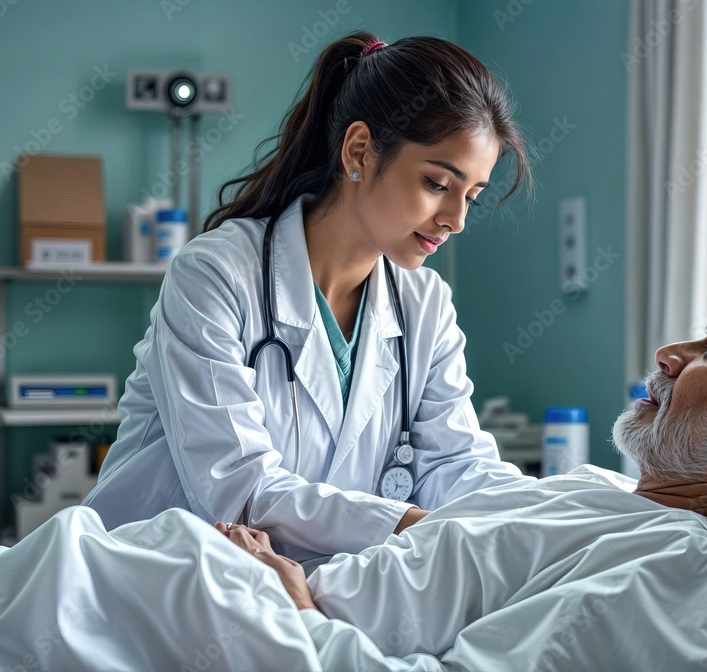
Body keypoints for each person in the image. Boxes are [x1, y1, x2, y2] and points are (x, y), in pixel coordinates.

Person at [212, 258, 707, 668]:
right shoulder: (607, 493)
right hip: (225, 596)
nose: (669, 356)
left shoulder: (680, 573)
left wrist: (295, 610)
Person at [82, 32, 534, 564]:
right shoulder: (214, 275)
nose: (455, 219)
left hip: (302, 595)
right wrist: (416, 525)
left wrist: (549, 514)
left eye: (471, 198)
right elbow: (239, 489)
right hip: (158, 580)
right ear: (360, 150)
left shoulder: (425, 304)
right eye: (438, 183)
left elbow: (456, 464)